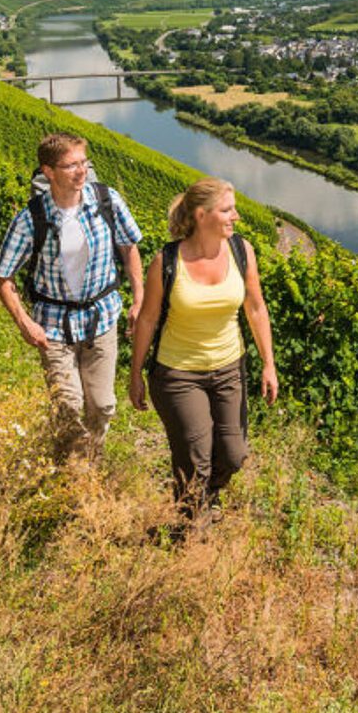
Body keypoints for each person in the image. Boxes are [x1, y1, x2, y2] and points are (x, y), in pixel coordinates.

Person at [129, 177, 277, 521]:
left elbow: (256, 309)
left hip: (228, 368)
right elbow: (148, 319)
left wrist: (268, 364)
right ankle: (190, 529)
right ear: (201, 215)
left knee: (234, 454)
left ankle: (205, 498)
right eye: (227, 210)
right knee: (195, 459)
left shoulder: (243, 251)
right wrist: (136, 374)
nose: (235, 216)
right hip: (178, 373)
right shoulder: (166, 260)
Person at [0, 132, 144, 460]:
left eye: (84, 163)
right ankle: (72, 475)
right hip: (53, 327)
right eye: (71, 165)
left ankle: (90, 461)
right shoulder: (31, 219)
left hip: (101, 319)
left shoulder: (107, 201)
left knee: (102, 405)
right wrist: (24, 323)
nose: (81, 172)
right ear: (48, 172)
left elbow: (129, 247)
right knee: (68, 405)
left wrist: (139, 298)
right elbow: (3, 277)